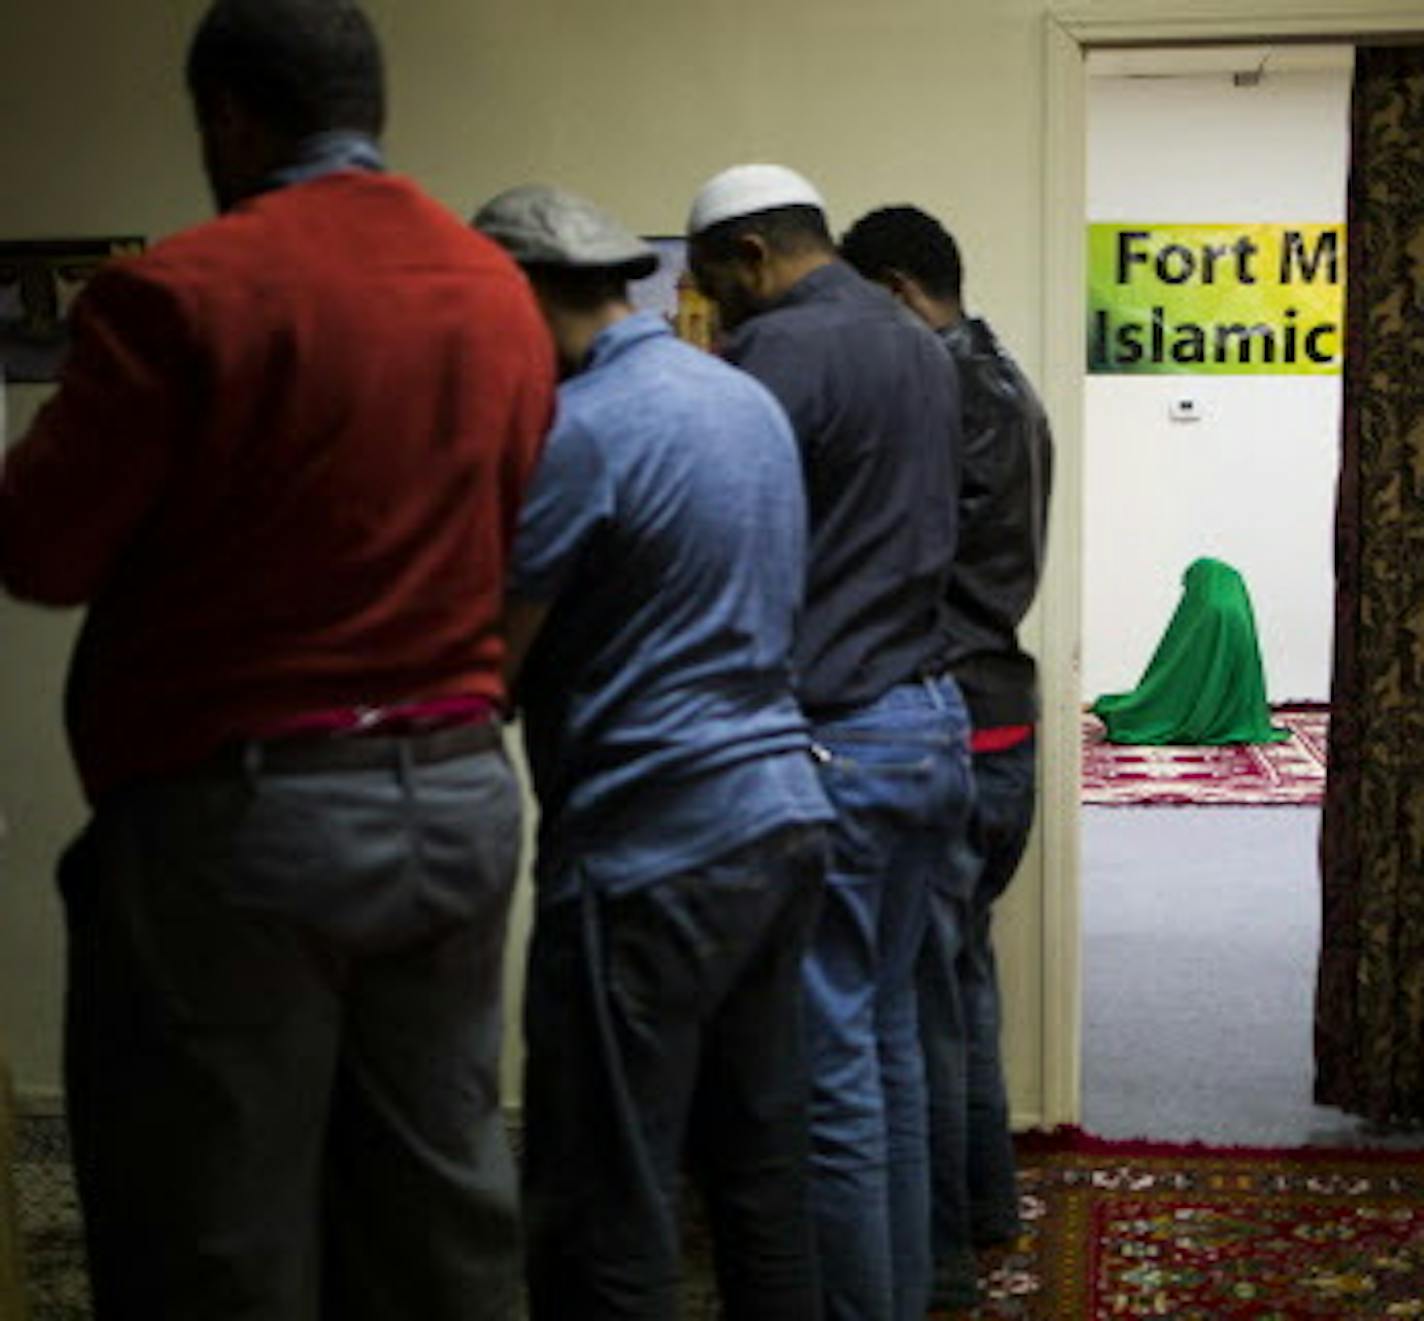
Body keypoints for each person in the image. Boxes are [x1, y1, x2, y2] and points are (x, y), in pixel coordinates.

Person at [0, 3, 555, 1317]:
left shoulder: (180, 294)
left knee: (221, 1226)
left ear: (229, 117)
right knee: (441, 1212)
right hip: (462, 800)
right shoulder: (496, 294)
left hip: (249, 825)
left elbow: (42, 554)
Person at [475, 184, 833, 1321]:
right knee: (759, 1172)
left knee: (604, 1199)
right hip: (780, 822)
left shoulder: (580, 436)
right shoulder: (739, 402)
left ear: (519, 296)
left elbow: (492, 668)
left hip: (650, 852)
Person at [686, 165, 974, 1321]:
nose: (716, 305)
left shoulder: (778, 355)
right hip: (926, 721)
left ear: (751, 253)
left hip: (836, 736)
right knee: (891, 1040)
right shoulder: (914, 340)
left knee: (829, 1072)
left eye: (716, 282)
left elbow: (717, 546)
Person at [841, 204, 1054, 1310]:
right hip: (999, 716)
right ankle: (975, 1214)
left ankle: (930, 1267)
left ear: (890, 286)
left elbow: (905, 566)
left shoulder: (940, 391)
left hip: (948, 717)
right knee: (956, 983)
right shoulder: (1009, 383)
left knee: (917, 1005)